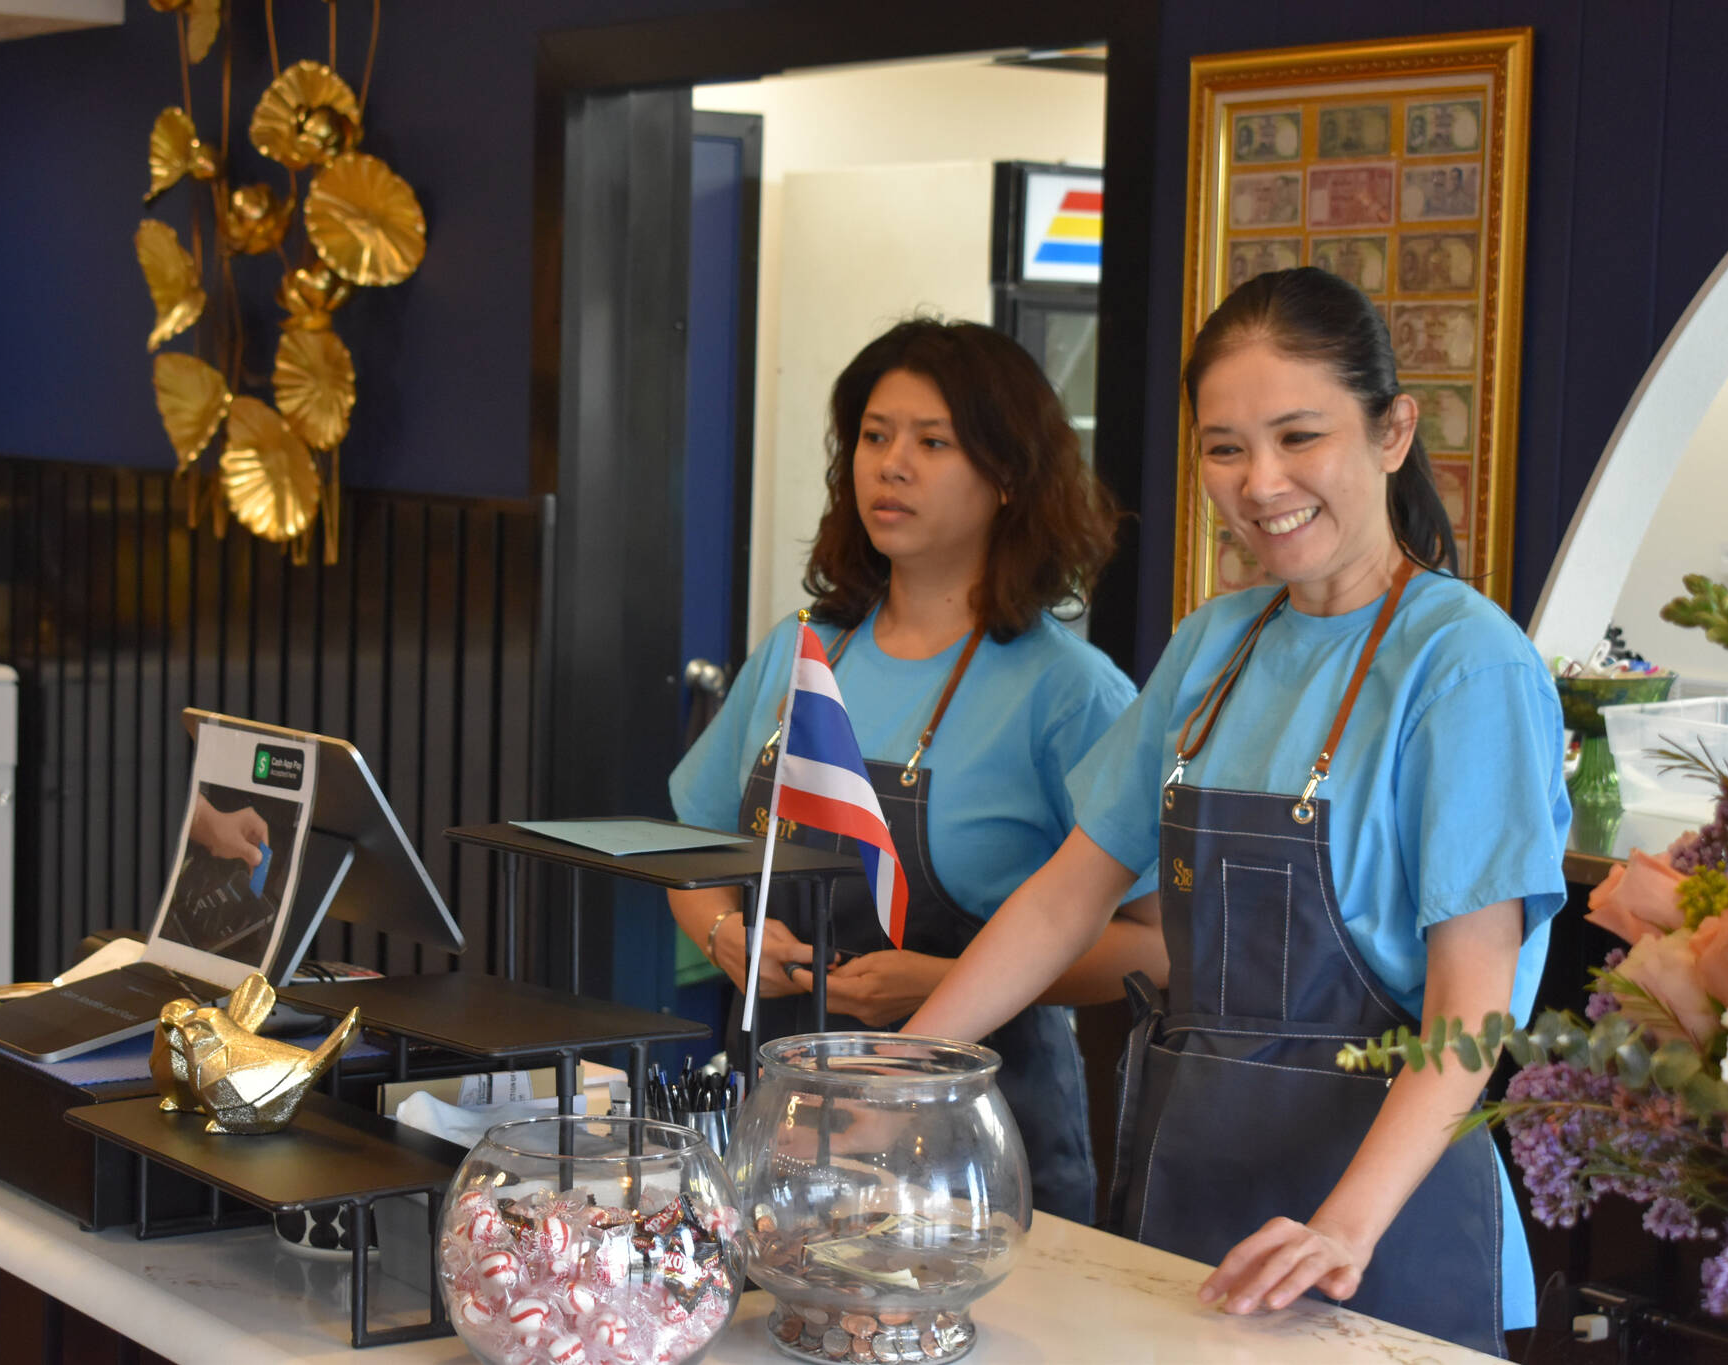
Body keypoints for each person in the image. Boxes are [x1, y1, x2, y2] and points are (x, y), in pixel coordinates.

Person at [907, 268, 1567, 1355]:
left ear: (1391, 432)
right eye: (1223, 447)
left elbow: (1471, 1010)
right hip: (1188, 1193)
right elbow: (1069, 890)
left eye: (1298, 436)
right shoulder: (1216, 642)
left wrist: (1342, 1228)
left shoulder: (1464, 665)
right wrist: (896, 1073)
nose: (1259, 482)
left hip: (1380, 1230)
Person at [668, 318, 1163, 1223]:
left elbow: (1157, 943)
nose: (890, 465)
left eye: (933, 443)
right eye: (874, 435)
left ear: (1009, 478)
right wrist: (725, 939)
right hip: (784, 1123)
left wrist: (944, 978)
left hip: (977, 1156)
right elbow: (690, 853)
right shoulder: (801, 650)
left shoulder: (1070, 690)